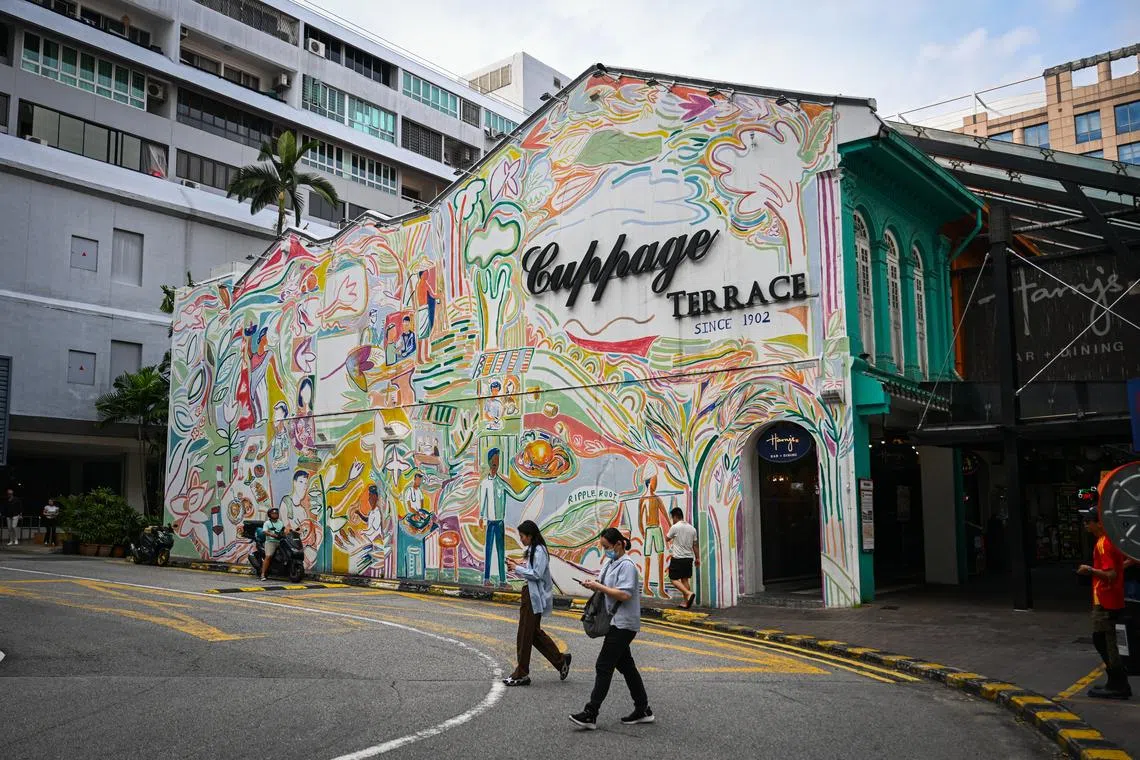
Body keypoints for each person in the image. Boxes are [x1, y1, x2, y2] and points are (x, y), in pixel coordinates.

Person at [571, 527, 654, 730]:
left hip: (624, 624)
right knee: (626, 666)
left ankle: (591, 713)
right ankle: (643, 708)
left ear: (618, 544)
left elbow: (624, 595)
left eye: (607, 547)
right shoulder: (611, 563)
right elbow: (606, 587)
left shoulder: (627, 566)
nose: (605, 551)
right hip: (615, 621)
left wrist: (599, 587)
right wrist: (593, 584)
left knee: (604, 665)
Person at [503, 520, 572, 686]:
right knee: (533, 634)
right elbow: (532, 567)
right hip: (531, 595)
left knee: (525, 635)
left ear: (530, 535)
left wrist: (517, 568)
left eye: (522, 537)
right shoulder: (534, 549)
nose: (521, 540)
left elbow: (536, 573)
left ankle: (522, 673)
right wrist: (517, 564)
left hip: (533, 597)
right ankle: (560, 660)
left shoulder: (539, 550)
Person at [1078, 504, 1132, 699]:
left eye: (1089, 521)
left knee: (1104, 641)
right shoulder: (1110, 541)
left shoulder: (1103, 544)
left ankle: (1118, 684)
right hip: (1110, 597)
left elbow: (1110, 574)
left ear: (1099, 523)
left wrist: (1089, 570)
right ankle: (1115, 681)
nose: (1085, 525)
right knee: (1106, 640)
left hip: (1106, 600)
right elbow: (1118, 568)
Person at [479, 448, 535, 586]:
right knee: (488, 551)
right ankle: (486, 579)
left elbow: (519, 496)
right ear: (489, 462)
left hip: (499, 523)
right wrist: (481, 517)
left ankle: (503, 580)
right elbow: (483, 501)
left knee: (500, 551)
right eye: (493, 461)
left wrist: (532, 486)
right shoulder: (485, 483)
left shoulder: (501, 483)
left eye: (497, 461)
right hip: (490, 522)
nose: (495, 464)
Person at [638, 475, 668, 598]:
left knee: (660, 557)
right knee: (647, 558)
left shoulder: (657, 499)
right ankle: (645, 586)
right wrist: (642, 532)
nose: (656, 484)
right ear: (650, 483)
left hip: (657, 529)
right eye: (655, 482)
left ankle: (661, 588)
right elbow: (640, 518)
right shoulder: (643, 499)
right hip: (649, 530)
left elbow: (664, 513)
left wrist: (670, 526)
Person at [666, 507, 700, 608]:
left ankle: (688, 593)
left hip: (678, 558)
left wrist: (672, 528)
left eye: (673, 518)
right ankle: (686, 603)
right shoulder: (692, 529)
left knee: (673, 579)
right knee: (685, 580)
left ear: (675, 516)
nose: (673, 520)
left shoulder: (675, 527)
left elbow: (667, 538)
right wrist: (697, 558)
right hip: (689, 558)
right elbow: (695, 545)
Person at [260, 507, 287, 582]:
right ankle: (263, 574)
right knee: (268, 556)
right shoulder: (267, 523)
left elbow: (283, 530)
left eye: (276, 513)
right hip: (271, 542)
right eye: (273, 513)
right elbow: (265, 531)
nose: (275, 515)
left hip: (280, 541)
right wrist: (272, 535)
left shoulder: (280, 522)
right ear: (269, 514)